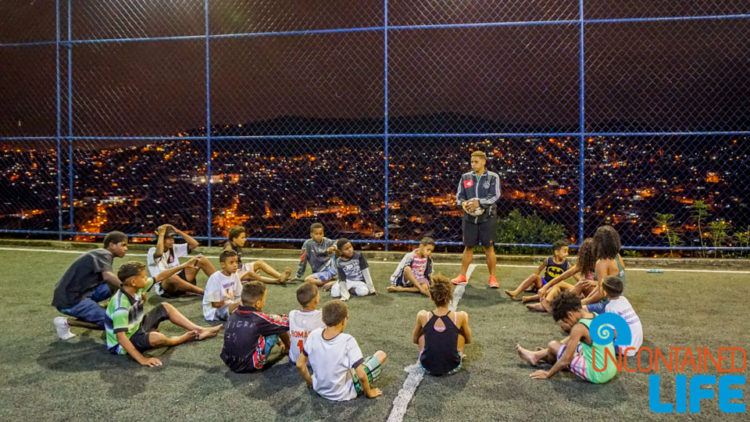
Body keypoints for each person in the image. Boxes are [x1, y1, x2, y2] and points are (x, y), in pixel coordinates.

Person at [105, 261, 222, 367]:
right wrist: (142, 359)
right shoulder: (121, 306)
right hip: (123, 343)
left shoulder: (135, 288)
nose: (147, 278)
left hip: (137, 327)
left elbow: (160, 276)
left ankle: (199, 330)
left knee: (165, 307)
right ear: (133, 282)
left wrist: (183, 265)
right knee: (158, 338)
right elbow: (121, 338)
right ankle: (179, 339)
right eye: (143, 276)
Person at [515, 291, 617, 384]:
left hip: (597, 374)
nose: (565, 326)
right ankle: (539, 355)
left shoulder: (578, 328)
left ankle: (539, 356)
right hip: (611, 369)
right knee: (566, 345)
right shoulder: (596, 316)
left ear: (570, 315)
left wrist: (548, 374)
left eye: (565, 322)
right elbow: (613, 335)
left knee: (553, 345)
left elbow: (566, 360)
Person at [296, 300, 387, 401]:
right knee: (380, 355)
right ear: (344, 320)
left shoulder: (314, 334)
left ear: (323, 319)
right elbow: (361, 376)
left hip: (319, 388)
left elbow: (300, 364)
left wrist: (310, 382)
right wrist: (369, 393)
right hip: (342, 393)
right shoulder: (348, 340)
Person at [52, 231, 128, 338]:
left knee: (112, 284)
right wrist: (127, 289)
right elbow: (107, 275)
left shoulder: (101, 253)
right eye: (123, 245)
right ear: (111, 245)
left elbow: (109, 281)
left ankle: (106, 306)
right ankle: (66, 322)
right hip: (70, 302)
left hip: (78, 294)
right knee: (110, 322)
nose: (126, 249)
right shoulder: (104, 254)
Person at [451, 150, 501, 288]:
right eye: (472, 162)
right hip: (469, 217)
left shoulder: (493, 177)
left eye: (476, 162)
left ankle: (492, 277)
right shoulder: (465, 177)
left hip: (487, 216)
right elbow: (459, 195)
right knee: (468, 246)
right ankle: (462, 275)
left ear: (484, 162)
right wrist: (464, 204)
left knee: (488, 247)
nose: (473, 164)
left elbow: (495, 195)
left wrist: (480, 203)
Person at [220, 281, 291, 373]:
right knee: (277, 324)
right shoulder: (259, 319)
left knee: (269, 324)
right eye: (264, 299)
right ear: (258, 303)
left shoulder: (233, 314)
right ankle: (288, 348)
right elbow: (285, 325)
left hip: (229, 361)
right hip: (249, 365)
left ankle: (282, 343)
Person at [412, 275, 472, 375]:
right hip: (453, 367)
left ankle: (429, 354)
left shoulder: (422, 316)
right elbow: (468, 340)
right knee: (460, 335)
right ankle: (459, 354)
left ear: (431, 297)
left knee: (422, 336)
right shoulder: (461, 316)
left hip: (427, 367)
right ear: (450, 297)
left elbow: (415, 340)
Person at [525, 238, 596, 312]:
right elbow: (562, 277)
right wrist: (545, 287)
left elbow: (607, 284)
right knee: (559, 283)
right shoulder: (583, 264)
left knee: (582, 283)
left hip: (595, 293)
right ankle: (546, 302)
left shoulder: (600, 264)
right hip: (585, 291)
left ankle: (555, 305)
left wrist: (595, 283)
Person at [146, 224, 216, 297]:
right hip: (166, 285)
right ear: (161, 239)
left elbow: (194, 244)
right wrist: (161, 235)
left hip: (180, 278)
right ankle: (203, 292)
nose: (171, 240)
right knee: (170, 276)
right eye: (168, 238)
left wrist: (178, 231)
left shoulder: (173, 248)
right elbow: (159, 253)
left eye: (172, 238)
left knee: (200, 259)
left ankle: (221, 283)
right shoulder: (152, 251)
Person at [586, 276, 642, 356]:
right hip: (636, 342)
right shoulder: (623, 299)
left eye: (600, 286)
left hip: (626, 349)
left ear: (604, 293)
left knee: (595, 334)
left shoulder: (611, 307)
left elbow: (614, 333)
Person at [504, 240, 574, 300]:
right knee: (534, 276)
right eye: (565, 251)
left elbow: (575, 275)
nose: (567, 254)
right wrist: (533, 281)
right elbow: (538, 270)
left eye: (567, 251)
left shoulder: (567, 265)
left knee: (558, 286)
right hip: (544, 283)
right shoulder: (548, 260)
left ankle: (533, 298)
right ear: (556, 252)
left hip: (555, 287)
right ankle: (516, 292)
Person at [224, 225, 291, 284]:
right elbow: (227, 266)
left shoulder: (237, 244)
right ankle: (277, 281)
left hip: (240, 267)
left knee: (260, 263)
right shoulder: (229, 247)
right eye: (242, 238)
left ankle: (281, 277)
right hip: (233, 273)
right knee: (251, 274)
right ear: (234, 239)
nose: (245, 240)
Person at [582, 225, 626, 306]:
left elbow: (602, 293)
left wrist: (584, 303)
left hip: (607, 304)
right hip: (620, 300)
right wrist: (587, 299)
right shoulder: (617, 256)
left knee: (573, 312)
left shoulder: (602, 263)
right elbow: (600, 286)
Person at [288, 282, 326, 364]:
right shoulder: (322, 316)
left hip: (295, 359)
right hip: (314, 361)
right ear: (316, 299)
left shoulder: (292, 314)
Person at [202, 250, 244, 322]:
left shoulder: (235, 275)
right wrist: (236, 304)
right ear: (223, 264)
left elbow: (240, 294)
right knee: (242, 306)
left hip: (229, 304)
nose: (235, 265)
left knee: (249, 302)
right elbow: (215, 304)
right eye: (231, 262)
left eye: (236, 262)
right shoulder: (215, 278)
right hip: (213, 312)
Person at [296, 222, 337, 289]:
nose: (319, 236)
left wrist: (333, 247)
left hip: (331, 267)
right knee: (308, 280)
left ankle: (343, 277)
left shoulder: (327, 241)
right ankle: (331, 282)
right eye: (316, 234)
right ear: (311, 234)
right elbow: (303, 259)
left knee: (340, 250)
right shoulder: (307, 244)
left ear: (323, 234)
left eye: (320, 234)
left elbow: (338, 242)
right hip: (321, 272)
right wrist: (298, 275)